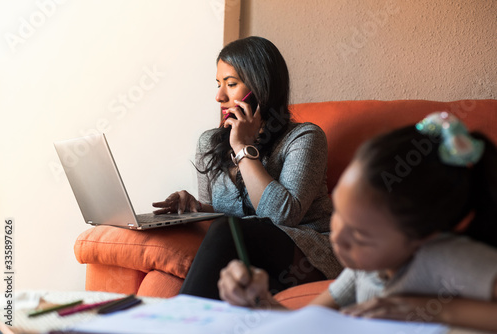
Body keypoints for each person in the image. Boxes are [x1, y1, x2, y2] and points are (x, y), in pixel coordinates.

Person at [218, 112, 497, 332]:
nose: (338, 236)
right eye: (339, 212)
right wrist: (259, 301)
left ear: (423, 236)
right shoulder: (365, 271)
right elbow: (306, 323)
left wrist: (427, 309)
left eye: (362, 235)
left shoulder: (444, 258)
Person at [152, 36, 342, 300]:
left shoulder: (305, 138)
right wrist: (195, 207)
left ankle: (181, 317)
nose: (219, 96)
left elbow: (281, 217)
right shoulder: (209, 142)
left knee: (229, 230)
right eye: (218, 85)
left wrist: (243, 149)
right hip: (246, 258)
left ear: (259, 88)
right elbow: (217, 216)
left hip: (306, 257)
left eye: (231, 84)